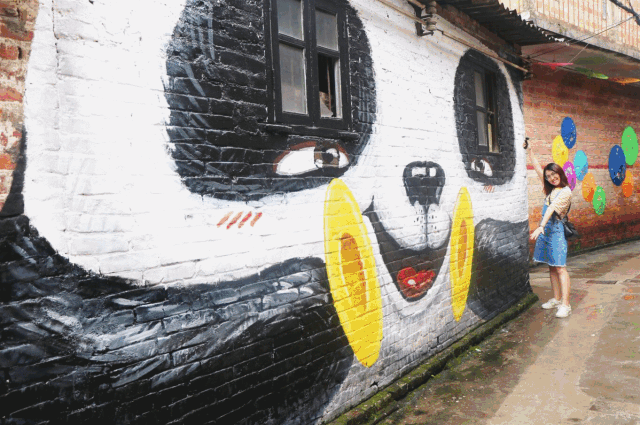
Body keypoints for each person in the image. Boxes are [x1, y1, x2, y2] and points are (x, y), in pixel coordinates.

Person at [526, 141, 573, 318]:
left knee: (560, 267)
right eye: (549, 176)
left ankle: (566, 304)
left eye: (554, 174)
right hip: (546, 231)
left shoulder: (565, 191)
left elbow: (552, 208)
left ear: (560, 173)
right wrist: (530, 151)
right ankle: (556, 298)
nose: (552, 178)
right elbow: (538, 168)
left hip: (556, 231)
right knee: (552, 267)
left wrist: (540, 226)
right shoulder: (550, 189)